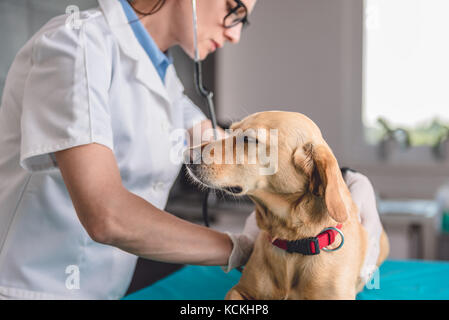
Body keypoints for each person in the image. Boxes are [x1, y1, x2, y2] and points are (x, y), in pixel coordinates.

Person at [0, 0, 381, 299]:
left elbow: (229, 149)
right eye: (236, 12)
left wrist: (344, 181)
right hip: (29, 288)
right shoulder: (76, 45)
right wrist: (242, 248)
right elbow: (106, 216)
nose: (235, 36)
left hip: (107, 289)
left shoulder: (166, 84)